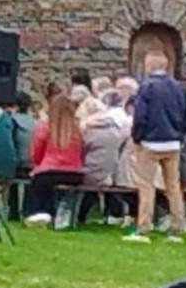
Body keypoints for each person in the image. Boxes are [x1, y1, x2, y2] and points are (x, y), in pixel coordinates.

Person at [126, 52, 186, 243]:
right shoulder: (178, 87)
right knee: (173, 186)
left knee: (146, 185)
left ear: (149, 66)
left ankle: (144, 227)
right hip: (173, 142)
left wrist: (137, 138)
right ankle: (178, 226)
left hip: (150, 142)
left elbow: (140, 117)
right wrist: (180, 135)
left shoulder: (146, 87)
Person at [25, 95, 84, 225]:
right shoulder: (78, 130)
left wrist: (37, 166)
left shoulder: (44, 127)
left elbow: (36, 152)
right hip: (75, 173)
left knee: (38, 184)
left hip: (50, 170)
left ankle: (39, 213)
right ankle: (64, 213)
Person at [77, 94, 128, 224]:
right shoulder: (115, 129)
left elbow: (81, 152)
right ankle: (115, 213)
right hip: (112, 172)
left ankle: (80, 216)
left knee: (89, 182)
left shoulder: (87, 130)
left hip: (91, 172)